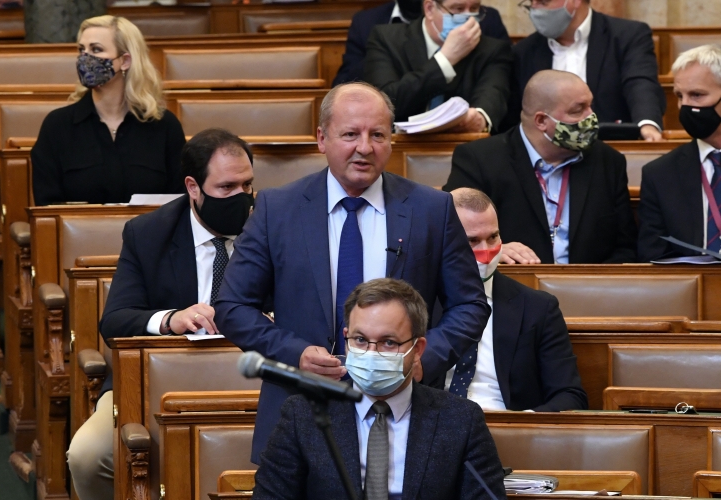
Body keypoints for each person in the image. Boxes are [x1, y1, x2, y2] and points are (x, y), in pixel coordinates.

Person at [216, 82, 490, 463]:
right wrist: (296, 354)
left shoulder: (432, 209)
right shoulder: (277, 209)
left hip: (405, 412)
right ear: (321, 139)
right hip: (300, 412)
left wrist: (421, 360)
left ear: (391, 141)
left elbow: (471, 305)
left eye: (377, 135)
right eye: (350, 135)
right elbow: (231, 307)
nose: (365, 147)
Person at [67, 128, 255, 500]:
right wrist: (171, 319)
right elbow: (115, 320)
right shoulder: (149, 234)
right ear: (193, 187)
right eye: (227, 187)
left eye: (247, 185)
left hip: (251, 379)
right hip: (160, 382)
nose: (242, 197)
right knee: (88, 456)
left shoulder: (273, 227)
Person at [253, 278, 506, 500]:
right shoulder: (303, 415)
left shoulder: (461, 420)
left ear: (417, 349)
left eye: (388, 342)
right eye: (360, 340)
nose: (371, 353)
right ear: (346, 338)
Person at [444, 69, 637, 264]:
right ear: (542, 121)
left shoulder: (608, 162)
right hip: (513, 279)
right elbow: (451, 237)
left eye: (590, 106)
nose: (591, 117)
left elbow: (626, 248)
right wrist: (494, 252)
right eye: (578, 110)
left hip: (589, 281)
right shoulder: (479, 160)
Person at [442, 188, 587, 411]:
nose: (486, 252)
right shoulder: (418, 301)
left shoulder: (538, 307)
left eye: (493, 237)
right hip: (437, 423)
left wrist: (522, 423)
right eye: (472, 241)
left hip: (508, 422)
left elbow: (570, 396)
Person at [32, 15, 186, 206]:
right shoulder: (57, 126)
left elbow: (180, 201)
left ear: (125, 61)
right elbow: (46, 206)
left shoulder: (164, 125)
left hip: (151, 226)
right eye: (81, 50)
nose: (85, 58)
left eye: (96, 49)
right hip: (80, 226)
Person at [509, 0, 664, 141]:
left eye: (543, 2)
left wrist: (647, 125)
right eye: (531, 2)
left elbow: (640, 83)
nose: (535, 9)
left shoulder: (627, 36)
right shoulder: (524, 51)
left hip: (611, 146)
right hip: (549, 153)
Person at [362, 0, 512, 132]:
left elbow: (491, 98)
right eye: (458, 9)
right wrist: (444, 60)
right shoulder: (386, 40)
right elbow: (384, 103)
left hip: (464, 147)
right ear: (429, 9)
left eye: (474, 9)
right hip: (401, 146)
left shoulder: (492, 50)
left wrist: (478, 117)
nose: (469, 18)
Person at [639, 45, 721, 261]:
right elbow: (654, 254)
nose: (684, 106)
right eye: (679, 96)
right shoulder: (660, 174)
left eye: (696, 95)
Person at [332, 0, 509, 86]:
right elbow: (346, 83)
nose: (467, 14)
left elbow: (502, 79)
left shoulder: (486, 20)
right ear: (429, 9)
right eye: (457, 9)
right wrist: (379, 57)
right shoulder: (368, 24)